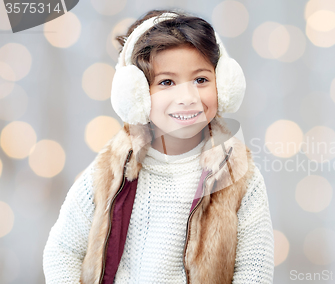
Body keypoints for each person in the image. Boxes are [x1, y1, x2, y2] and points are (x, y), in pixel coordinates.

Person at [42, 9, 274, 284]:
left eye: (200, 80)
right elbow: (62, 251)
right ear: (136, 94)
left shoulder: (240, 178)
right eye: (166, 82)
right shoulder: (110, 172)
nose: (187, 97)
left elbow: (255, 271)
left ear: (223, 83)